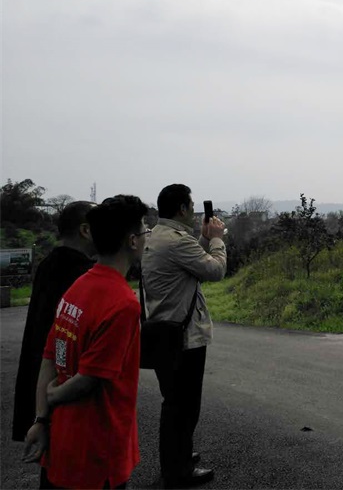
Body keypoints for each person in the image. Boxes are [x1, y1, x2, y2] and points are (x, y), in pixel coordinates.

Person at [23, 195, 148, 489]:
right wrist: (52, 397)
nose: (146, 239)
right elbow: (91, 378)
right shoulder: (122, 304)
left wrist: (41, 419)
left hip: (62, 443)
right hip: (97, 452)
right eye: (145, 232)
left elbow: (48, 359)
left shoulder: (78, 286)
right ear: (132, 241)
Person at [142, 184, 226, 488]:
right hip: (183, 337)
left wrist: (203, 238)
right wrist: (216, 239)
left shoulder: (157, 236)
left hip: (164, 332)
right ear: (182, 209)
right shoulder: (177, 242)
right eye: (190, 206)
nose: (193, 211)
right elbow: (214, 270)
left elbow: (190, 259)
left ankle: (178, 457)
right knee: (184, 405)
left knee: (175, 401)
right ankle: (177, 471)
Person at [12, 201, 96, 444]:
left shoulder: (50, 263)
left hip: (43, 381)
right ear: (86, 230)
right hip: (64, 388)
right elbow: (61, 337)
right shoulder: (81, 273)